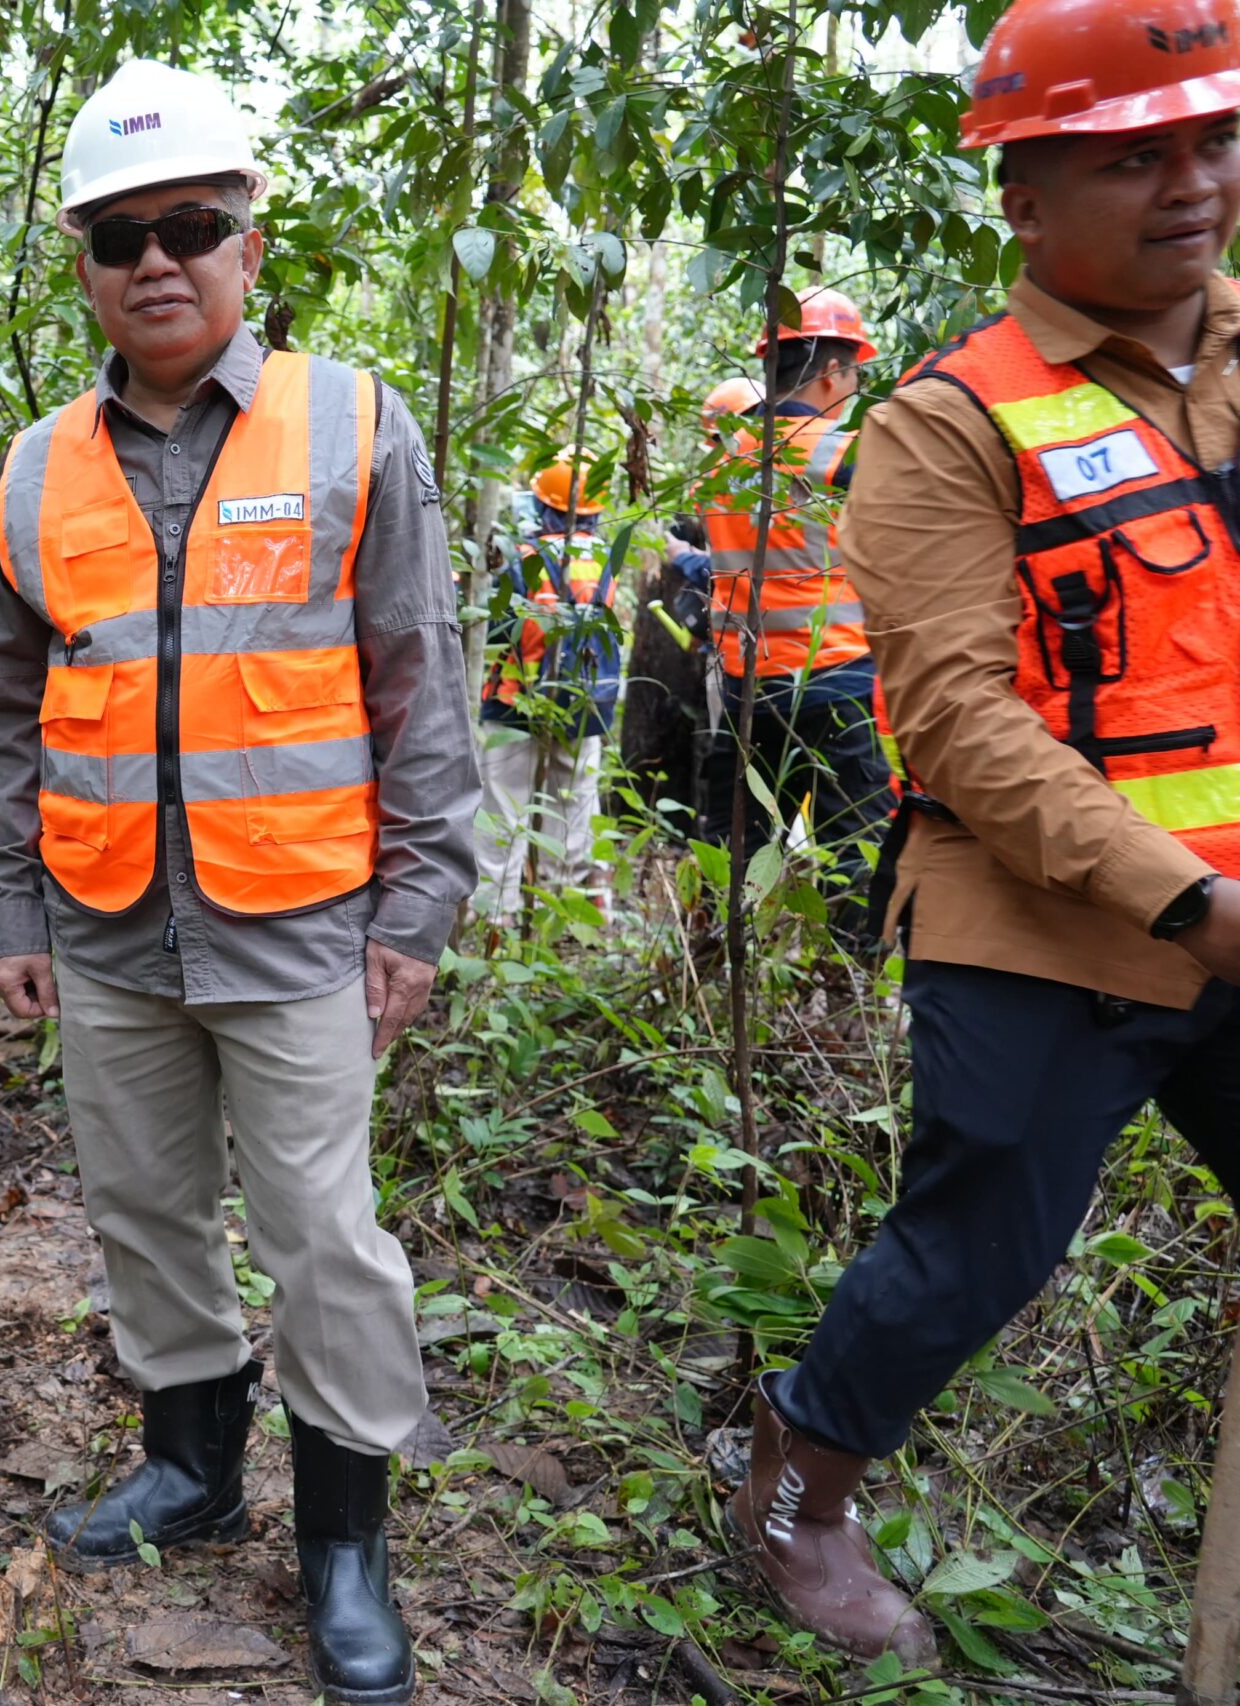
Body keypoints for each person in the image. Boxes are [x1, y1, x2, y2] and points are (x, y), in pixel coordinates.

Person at [736, 0, 1240, 1666]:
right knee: (980, 1236)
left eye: (1211, 143)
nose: (1189, 185)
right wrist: (1187, 900)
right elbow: (956, 718)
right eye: (1132, 159)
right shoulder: (949, 421)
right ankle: (803, 1483)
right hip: (1043, 917)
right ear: (1024, 198)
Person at [0, 58, 477, 1706]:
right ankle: (191, 1467)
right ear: (84, 266)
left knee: (325, 1233)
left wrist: (419, 909)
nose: (157, 261)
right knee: (144, 1208)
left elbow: (421, 681)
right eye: (121, 236)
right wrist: (16, 905)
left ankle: (345, 1544)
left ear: (249, 244)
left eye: (190, 225)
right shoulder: (35, 467)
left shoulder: (349, 424)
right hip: (109, 923)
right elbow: (9, 711)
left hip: (299, 922)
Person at [700, 288, 895, 863]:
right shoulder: (839, 451)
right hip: (835, 681)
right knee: (855, 855)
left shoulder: (723, 457)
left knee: (738, 855)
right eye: (855, 375)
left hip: (744, 688)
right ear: (832, 372)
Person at [475, 456, 625, 920]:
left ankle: (497, 913)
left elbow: (497, 631)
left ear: (543, 506)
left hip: (515, 702)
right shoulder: (606, 558)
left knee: (504, 807)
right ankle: (560, 909)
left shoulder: (523, 556)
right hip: (585, 701)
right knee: (572, 804)